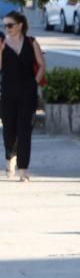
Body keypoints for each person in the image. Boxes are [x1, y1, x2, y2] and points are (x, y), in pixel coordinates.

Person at [0, 11, 45, 182]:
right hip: (8, 92)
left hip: (27, 92)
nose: (7, 28)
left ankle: (23, 169)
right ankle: (10, 157)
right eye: (5, 26)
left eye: (10, 25)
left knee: (25, 131)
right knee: (9, 130)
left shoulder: (31, 42)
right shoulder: (3, 43)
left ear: (20, 25)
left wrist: (34, 81)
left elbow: (41, 64)